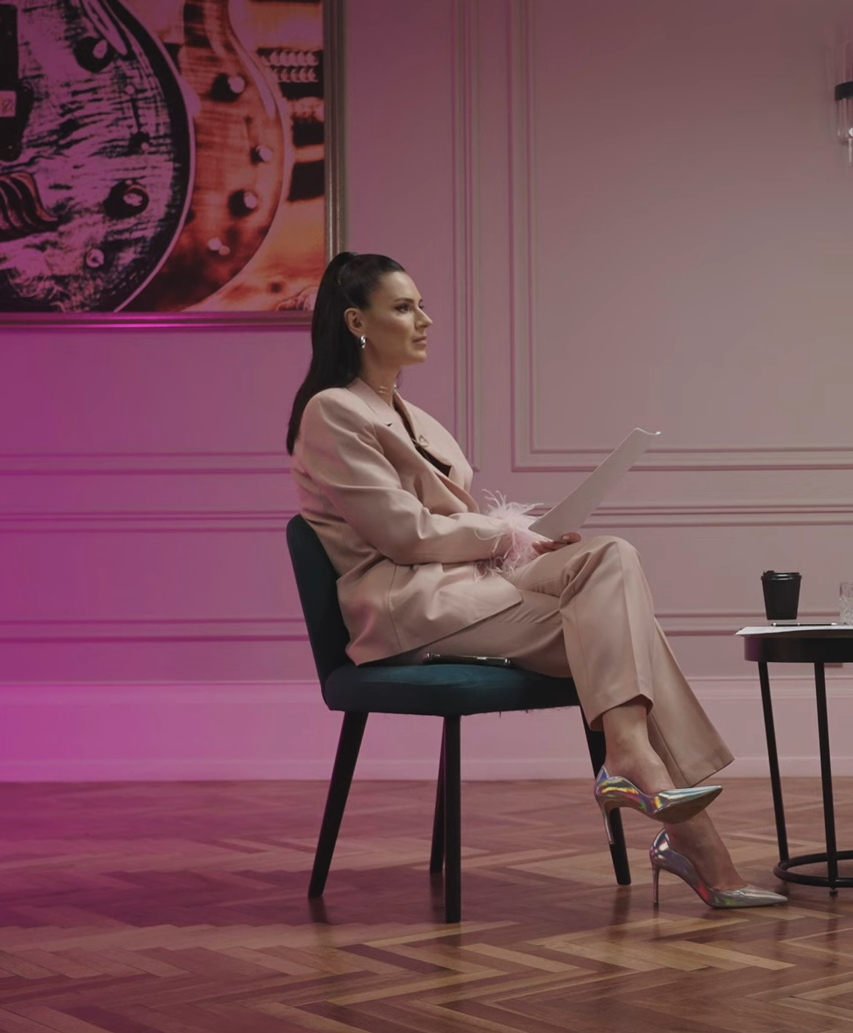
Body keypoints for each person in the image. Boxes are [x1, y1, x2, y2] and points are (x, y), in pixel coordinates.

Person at [287, 252, 783, 910]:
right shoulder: (331, 412)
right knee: (623, 633)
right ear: (357, 322)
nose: (425, 319)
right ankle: (691, 837)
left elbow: (451, 526)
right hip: (409, 609)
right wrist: (510, 535)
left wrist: (531, 539)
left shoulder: (416, 417)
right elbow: (403, 535)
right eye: (404, 308)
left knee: (610, 556)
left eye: (421, 305)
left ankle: (632, 760)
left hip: (465, 588)